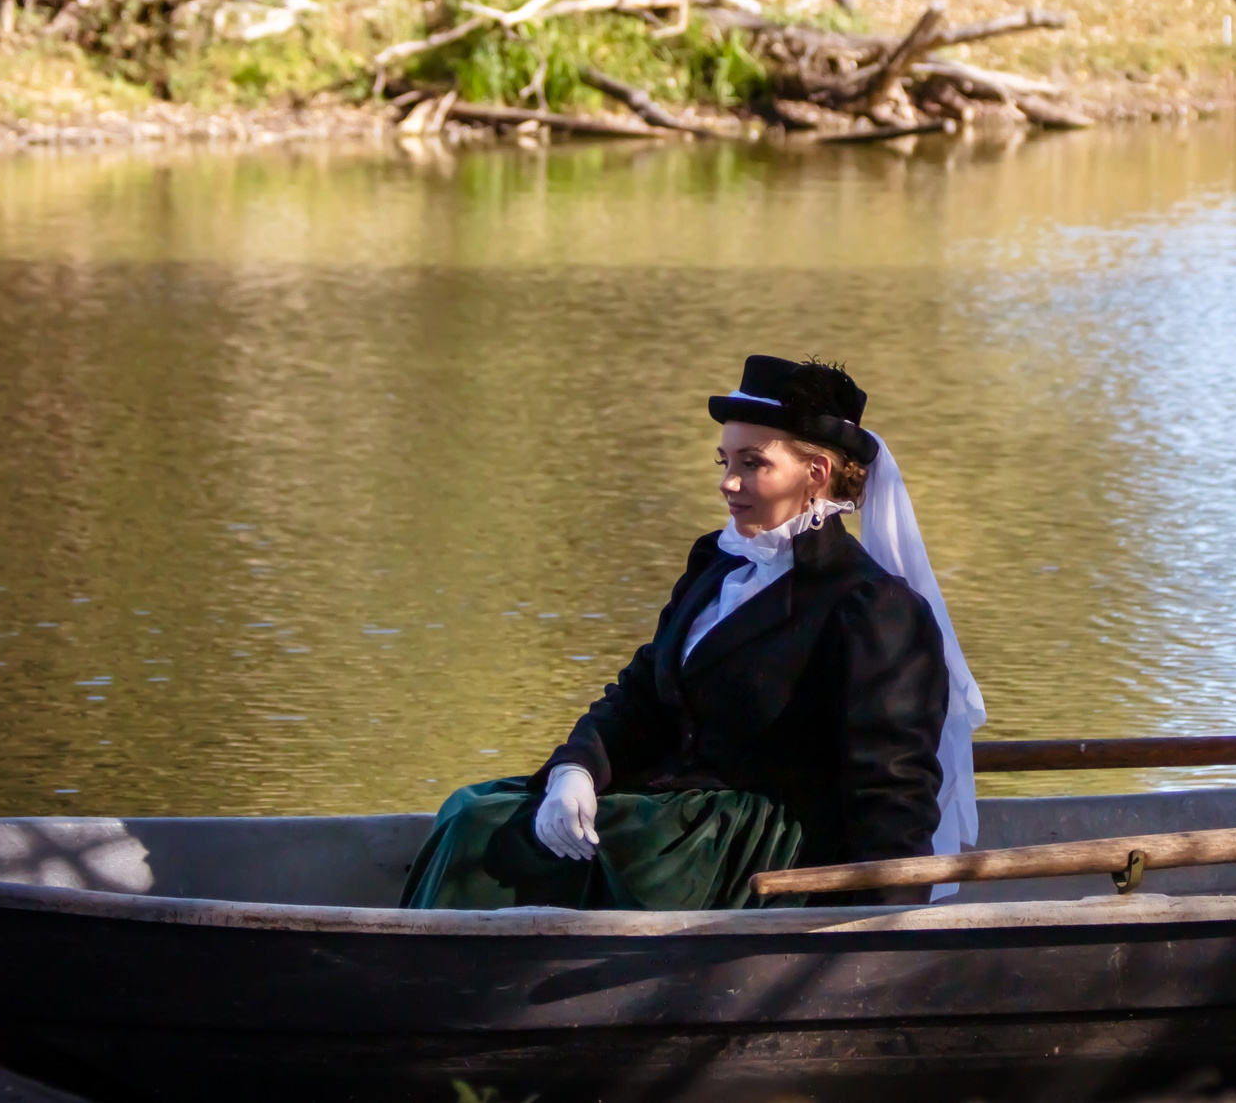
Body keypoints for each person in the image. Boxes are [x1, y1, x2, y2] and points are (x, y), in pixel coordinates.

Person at [401, 356, 985, 911]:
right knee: (470, 808)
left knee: (483, 833)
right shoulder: (718, 566)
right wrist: (574, 770)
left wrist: (885, 928)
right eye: (724, 462)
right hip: (677, 816)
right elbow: (641, 697)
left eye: (752, 463)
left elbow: (893, 786)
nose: (729, 482)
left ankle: (430, 969)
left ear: (816, 474)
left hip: (756, 848)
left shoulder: (873, 607)